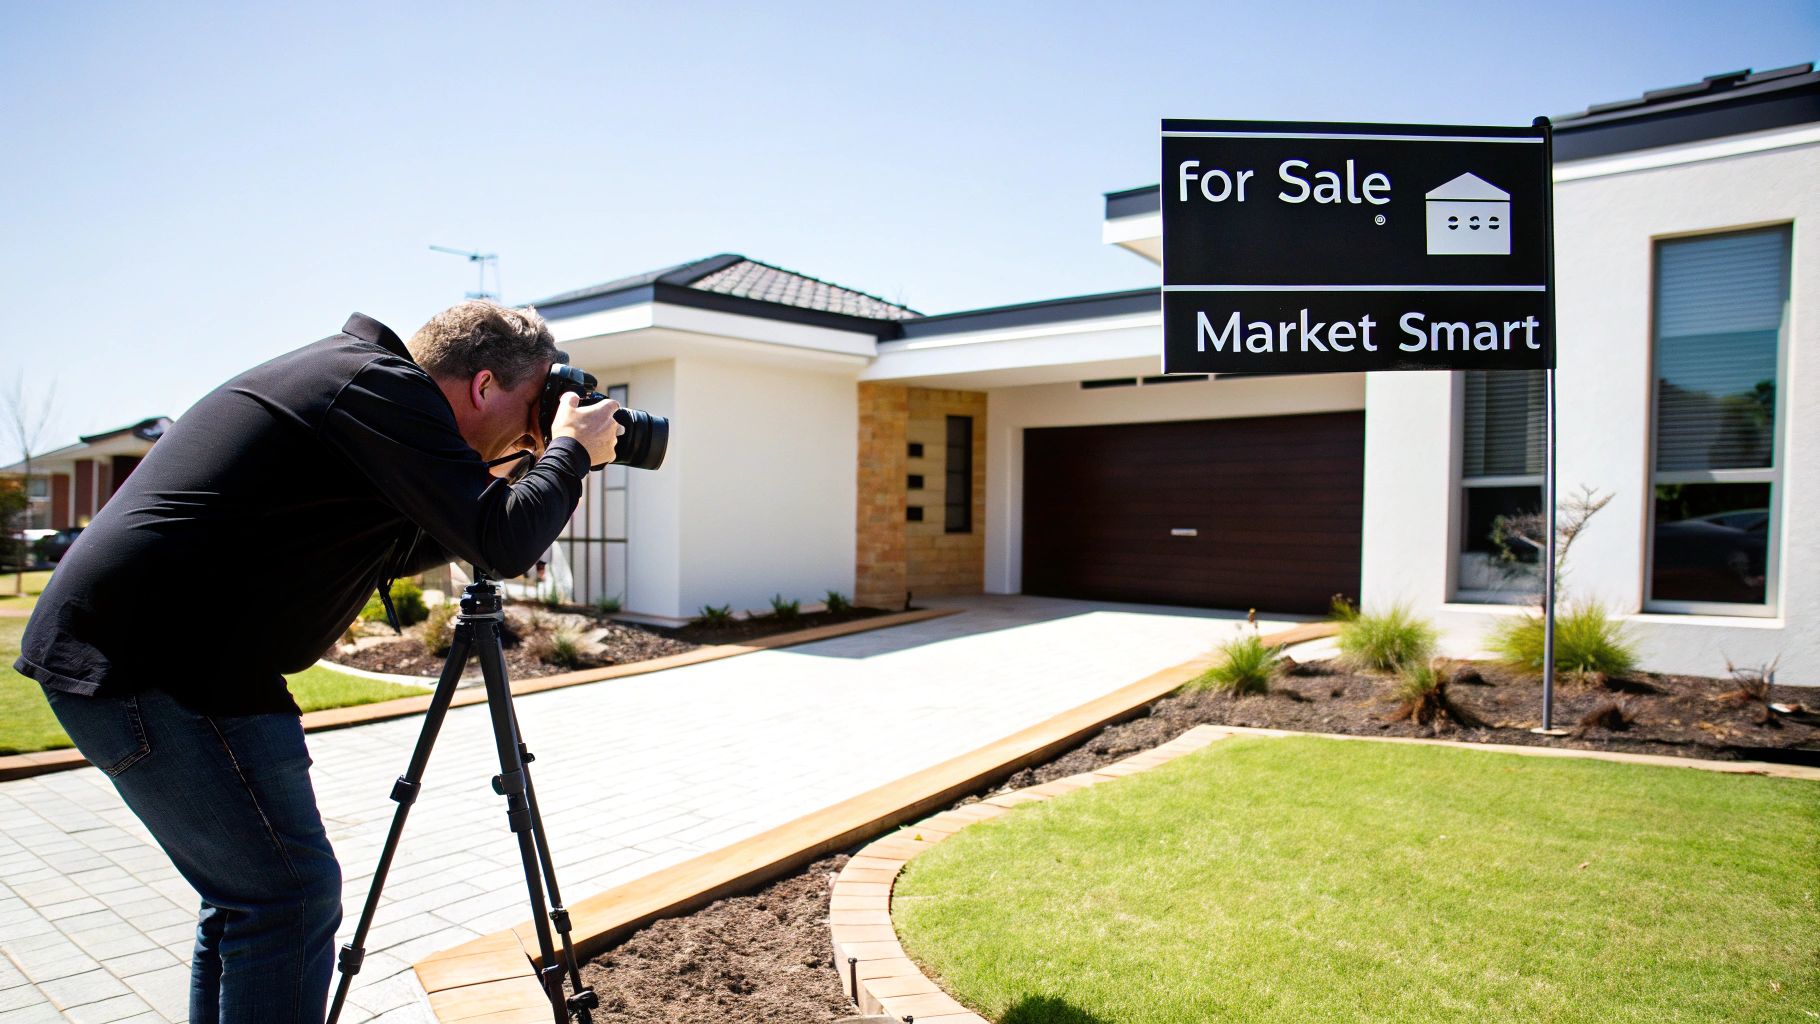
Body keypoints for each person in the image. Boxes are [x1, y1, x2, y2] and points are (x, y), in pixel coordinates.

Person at [14, 302, 622, 1023]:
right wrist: (568, 452)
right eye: (528, 416)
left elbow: (431, 540)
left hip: (170, 663)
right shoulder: (377, 387)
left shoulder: (362, 391)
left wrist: (527, 469)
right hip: (159, 668)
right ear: (484, 384)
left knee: (250, 902)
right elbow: (504, 541)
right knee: (290, 898)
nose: (527, 437)